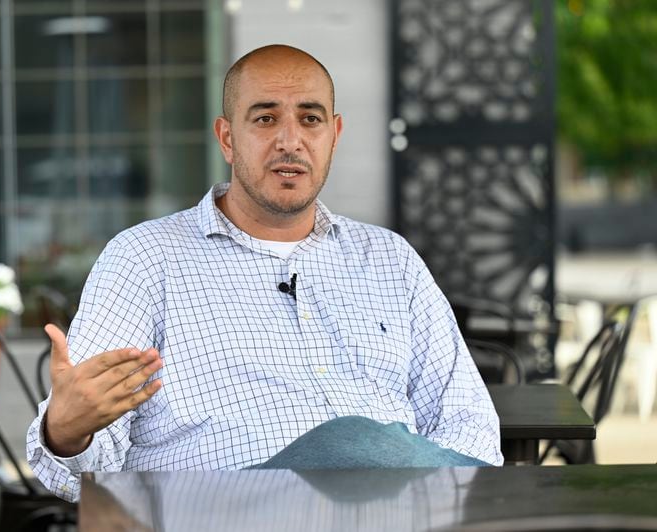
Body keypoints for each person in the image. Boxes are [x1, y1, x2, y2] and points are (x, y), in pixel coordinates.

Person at [26, 44, 503, 501]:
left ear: (334, 134)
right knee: (354, 443)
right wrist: (68, 431)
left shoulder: (390, 260)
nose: (290, 140)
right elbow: (84, 462)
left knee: (367, 449)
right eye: (266, 118)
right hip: (222, 510)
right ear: (228, 138)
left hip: (400, 509)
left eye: (310, 119)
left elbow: (467, 418)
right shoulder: (145, 258)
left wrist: (446, 502)